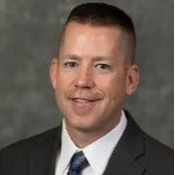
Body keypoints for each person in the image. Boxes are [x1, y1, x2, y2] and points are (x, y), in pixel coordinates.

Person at [0, 3, 174, 175]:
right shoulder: (9, 163)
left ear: (130, 80)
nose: (83, 81)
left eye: (102, 66)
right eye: (71, 64)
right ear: (54, 74)